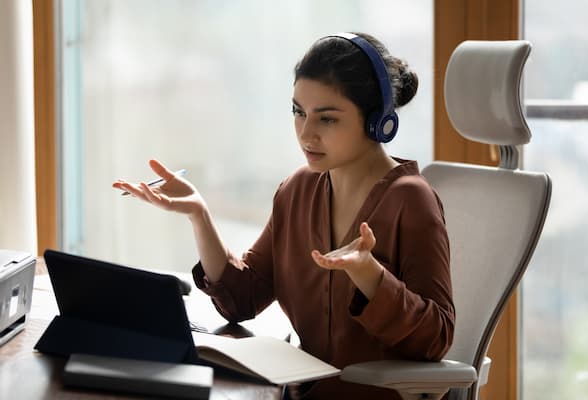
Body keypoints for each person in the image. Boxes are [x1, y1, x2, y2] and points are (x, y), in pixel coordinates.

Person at [112, 32, 454, 399]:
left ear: (377, 121)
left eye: (327, 119)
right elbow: (242, 298)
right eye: (298, 112)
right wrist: (199, 214)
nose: (306, 133)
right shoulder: (298, 188)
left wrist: (370, 275)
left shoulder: (412, 200)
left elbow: (435, 341)